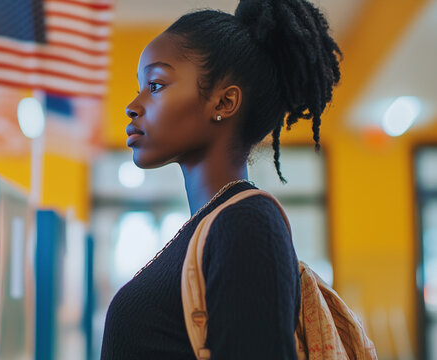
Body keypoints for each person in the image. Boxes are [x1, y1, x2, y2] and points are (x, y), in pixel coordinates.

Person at [100, 0, 341, 358]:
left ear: (224, 103)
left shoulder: (246, 223)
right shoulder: (210, 225)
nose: (133, 105)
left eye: (155, 85)